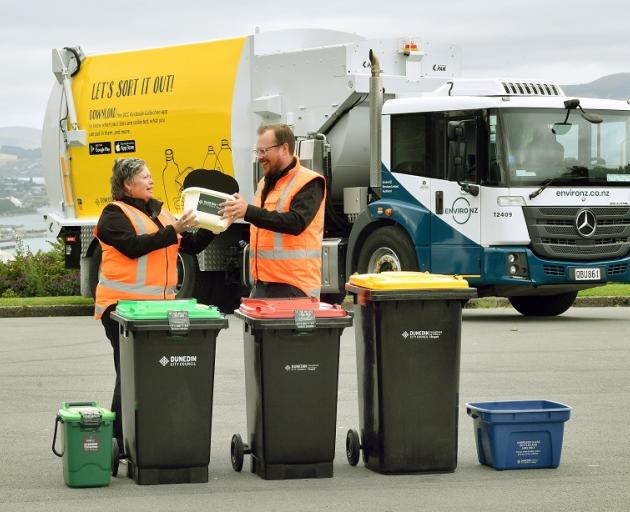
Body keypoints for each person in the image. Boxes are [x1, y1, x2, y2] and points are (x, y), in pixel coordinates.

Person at [94, 157, 219, 454]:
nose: (151, 180)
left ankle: (148, 437)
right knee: (130, 373)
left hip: (156, 311)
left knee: (154, 375)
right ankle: (118, 443)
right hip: (121, 310)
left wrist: (216, 225)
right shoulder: (113, 214)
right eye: (145, 177)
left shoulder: (159, 212)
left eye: (151, 176)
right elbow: (134, 248)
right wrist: (173, 229)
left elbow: (189, 245)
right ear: (127, 184)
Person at [219, 124, 325, 298]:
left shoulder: (309, 182)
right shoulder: (264, 183)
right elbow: (264, 226)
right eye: (258, 151)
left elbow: (295, 223)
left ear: (284, 149)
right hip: (262, 283)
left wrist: (248, 212)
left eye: (264, 151)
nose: (260, 157)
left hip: (294, 286)